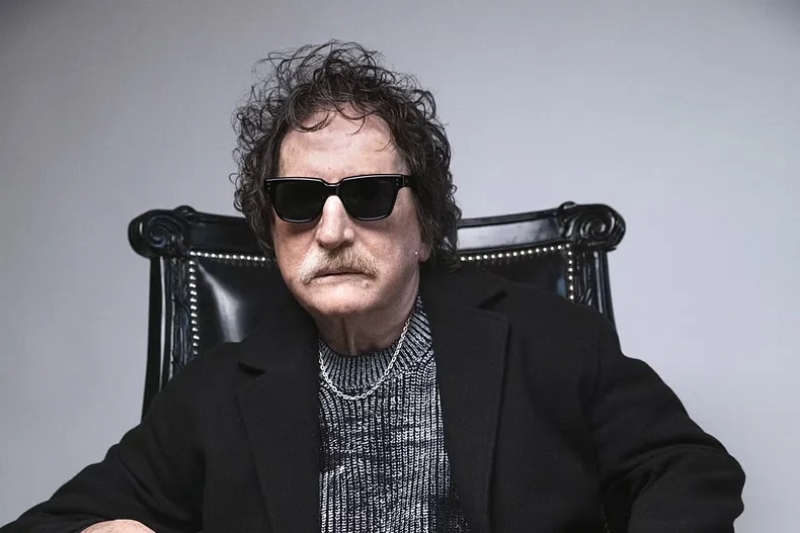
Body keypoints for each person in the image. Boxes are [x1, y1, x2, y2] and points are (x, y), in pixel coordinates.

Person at [1, 41, 745, 533]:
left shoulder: (550, 338)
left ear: (425, 226)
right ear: (272, 230)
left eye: (367, 195)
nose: (330, 230)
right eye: (300, 201)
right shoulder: (213, 395)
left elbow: (689, 469)